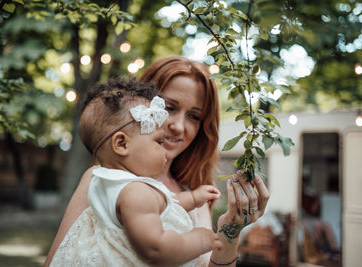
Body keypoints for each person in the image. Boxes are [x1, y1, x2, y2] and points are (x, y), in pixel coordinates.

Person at [45, 56, 270, 267]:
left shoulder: (193, 193)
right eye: (169, 108)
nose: (179, 126)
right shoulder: (104, 179)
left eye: (193, 116)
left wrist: (230, 230)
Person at [50, 76, 224, 266]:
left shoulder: (107, 183)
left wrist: (193, 198)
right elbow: (156, 249)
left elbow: (164, 205)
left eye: (194, 116)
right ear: (122, 144)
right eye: (158, 141)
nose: (163, 147)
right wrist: (199, 240)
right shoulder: (134, 191)